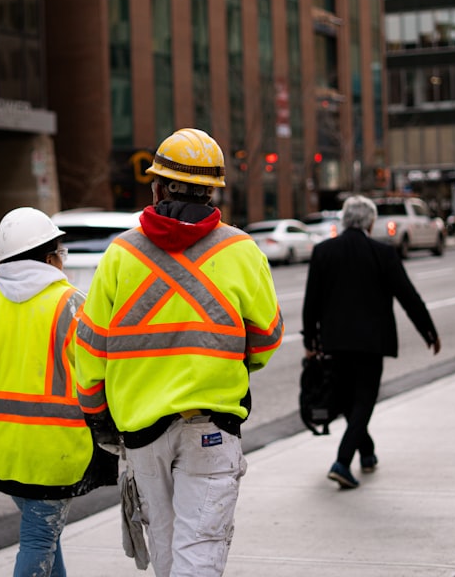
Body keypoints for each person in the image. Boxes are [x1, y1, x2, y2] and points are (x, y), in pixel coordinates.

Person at [74, 127, 284, 577]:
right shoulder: (241, 251)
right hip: (211, 425)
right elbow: (265, 339)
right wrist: (228, 362)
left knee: (168, 556)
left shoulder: (120, 254)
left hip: (140, 432)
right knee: (200, 555)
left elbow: (89, 348)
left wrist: (97, 413)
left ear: (158, 186)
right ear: (211, 191)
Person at [0, 206, 116, 577]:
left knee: (46, 533)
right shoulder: (73, 306)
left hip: (3, 449)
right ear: (52, 258)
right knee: (39, 538)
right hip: (57, 452)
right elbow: (100, 374)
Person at [301, 194, 441, 489]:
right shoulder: (383, 253)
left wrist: (310, 340)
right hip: (371, 343)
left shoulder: (324, 251)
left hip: (334, 342)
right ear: (371, 222)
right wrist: (428, 331)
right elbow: (408, 296)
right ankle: (342, 462)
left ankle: (366, 452)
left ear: (344, 219)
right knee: (363, 401)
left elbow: (310, 301)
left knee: (348, 402)